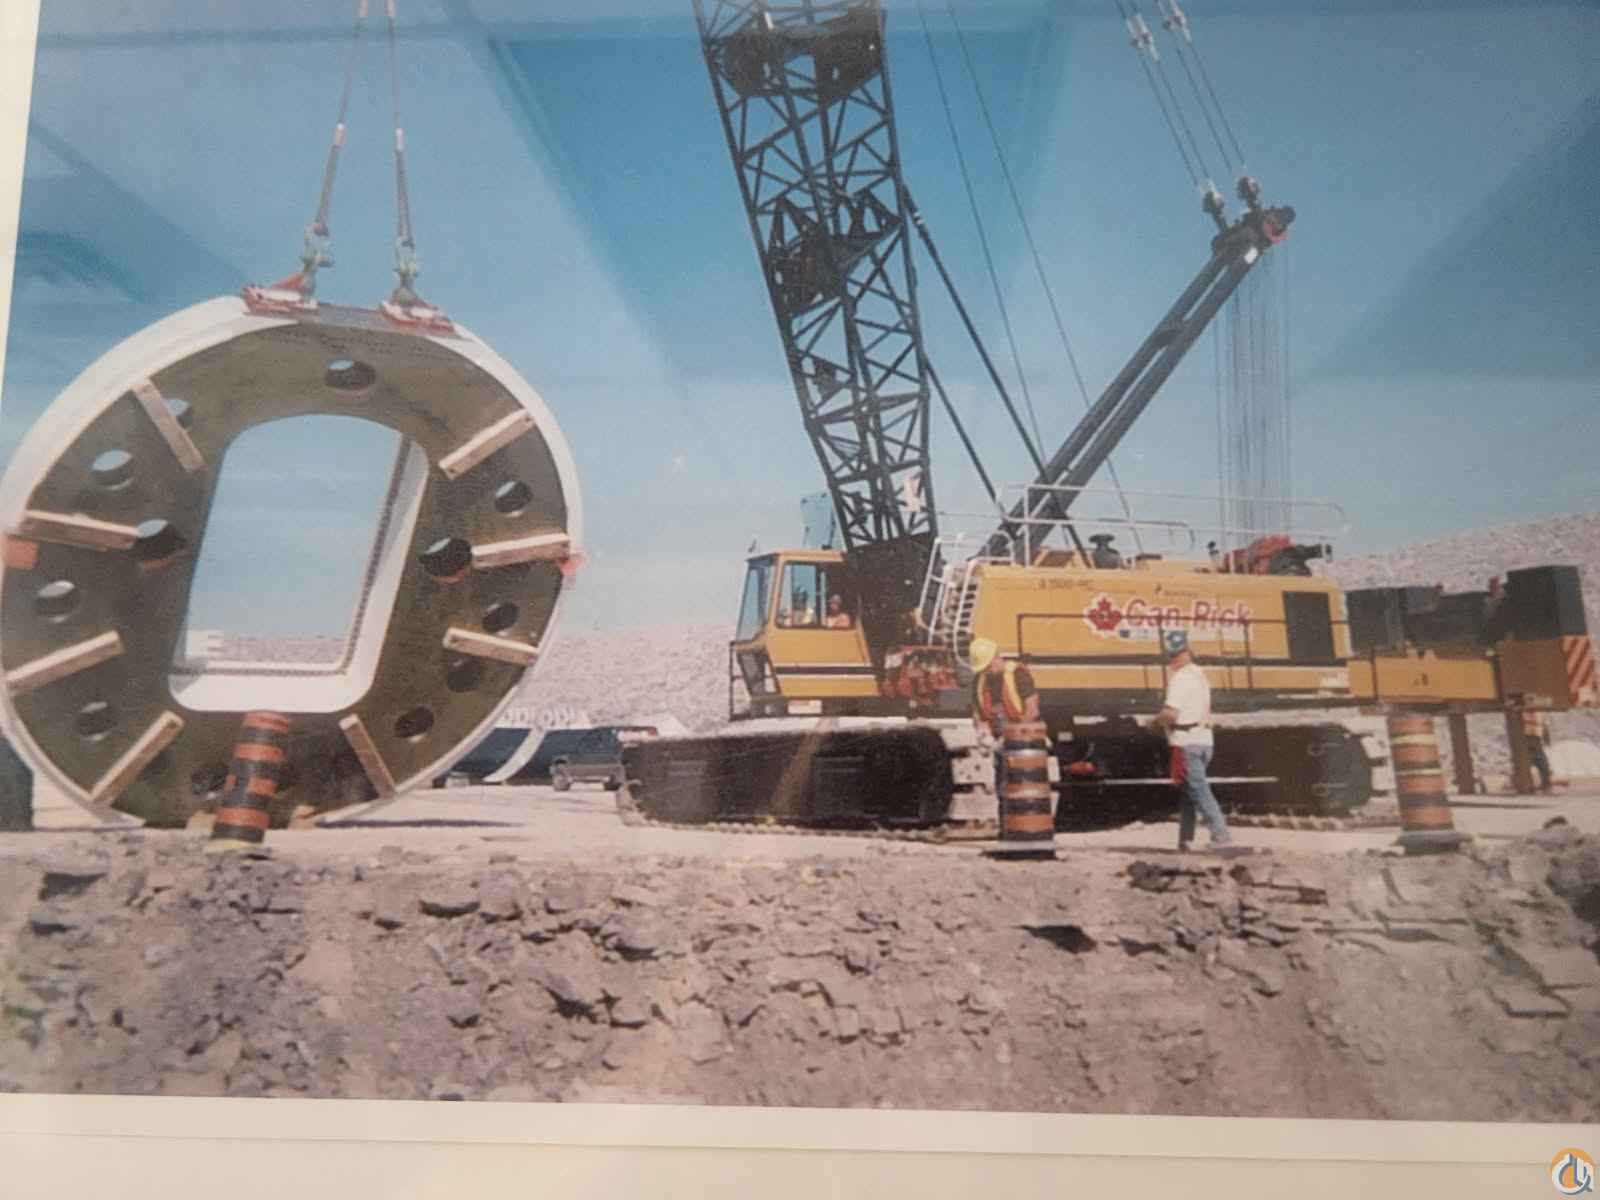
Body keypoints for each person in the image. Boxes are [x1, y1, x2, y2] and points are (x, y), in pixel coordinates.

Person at [1152, 630, 1232, 851]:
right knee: (1189, 792)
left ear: (1185, 653)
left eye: (1173, 655)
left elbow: (1171, 714)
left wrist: (1154, 722)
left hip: (1186, 741)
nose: (1172, 660)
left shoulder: (1180, 679)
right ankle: (1186, 840)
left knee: (1198, 789)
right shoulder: (1199, 674)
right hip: (1204, 739)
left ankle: (1221, 836)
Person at [1522, 708, 1553, 793]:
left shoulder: (1538, 714)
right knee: (1525, 767)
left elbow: (1543, 725)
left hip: (1537, 742)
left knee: (1544, 766)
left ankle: (1546, 785)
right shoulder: (1522, 713)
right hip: (1526, 742)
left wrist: (1547, 739)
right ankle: (1527, 786)